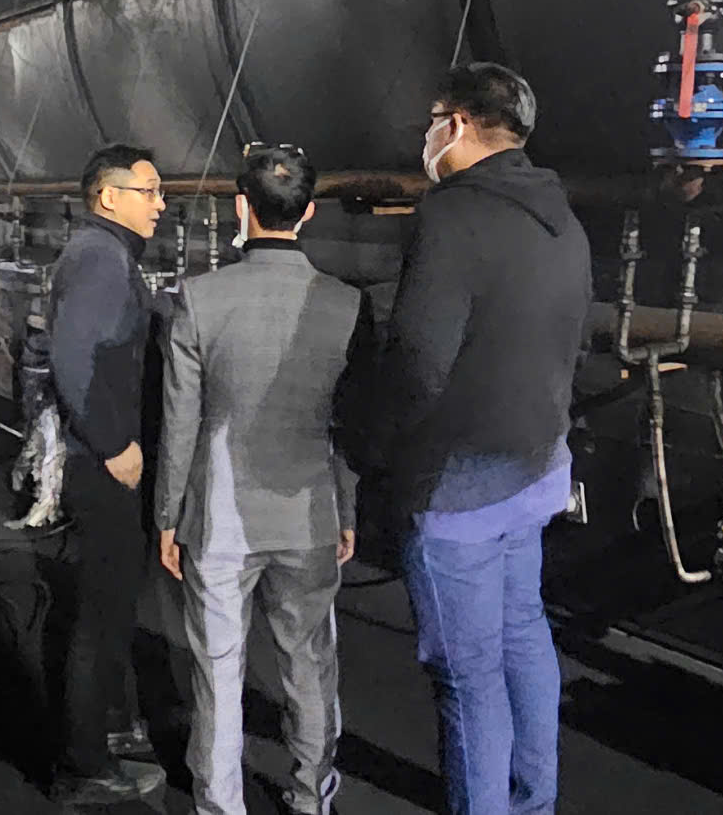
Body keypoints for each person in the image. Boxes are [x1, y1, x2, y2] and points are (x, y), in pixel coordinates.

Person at [359, 64, 589, 815]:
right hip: (537, 466)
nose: (428, 135)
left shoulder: (451, 218)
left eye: (434, 119)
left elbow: (419, 361)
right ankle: (533, 801)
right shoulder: (562, 217)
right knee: (525, 630)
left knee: (468, 675)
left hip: (459, 488)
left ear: (456, 124)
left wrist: (375, 452)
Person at [155, 145, 365, 815]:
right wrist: (348, 509)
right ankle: (312, 797)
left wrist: (168, 516)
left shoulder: (199, 298)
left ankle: (221, 806)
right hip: (309, 515)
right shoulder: (346, 306)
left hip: (218, 519)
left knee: (218, 671)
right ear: (307, 212)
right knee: (309, 664)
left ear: (240, 207)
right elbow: (348, 426)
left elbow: (179, 422)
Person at [47, 143, 171, 805]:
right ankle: (85, 763)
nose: (160, 203)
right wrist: (115, 442)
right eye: (148, 191)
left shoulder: (104, 254)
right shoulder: (101, 259)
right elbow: (73, 358)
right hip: (105, 467)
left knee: (113, 608)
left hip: (101, 461)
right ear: (108, 196)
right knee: (100, 616)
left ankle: (112, 729)